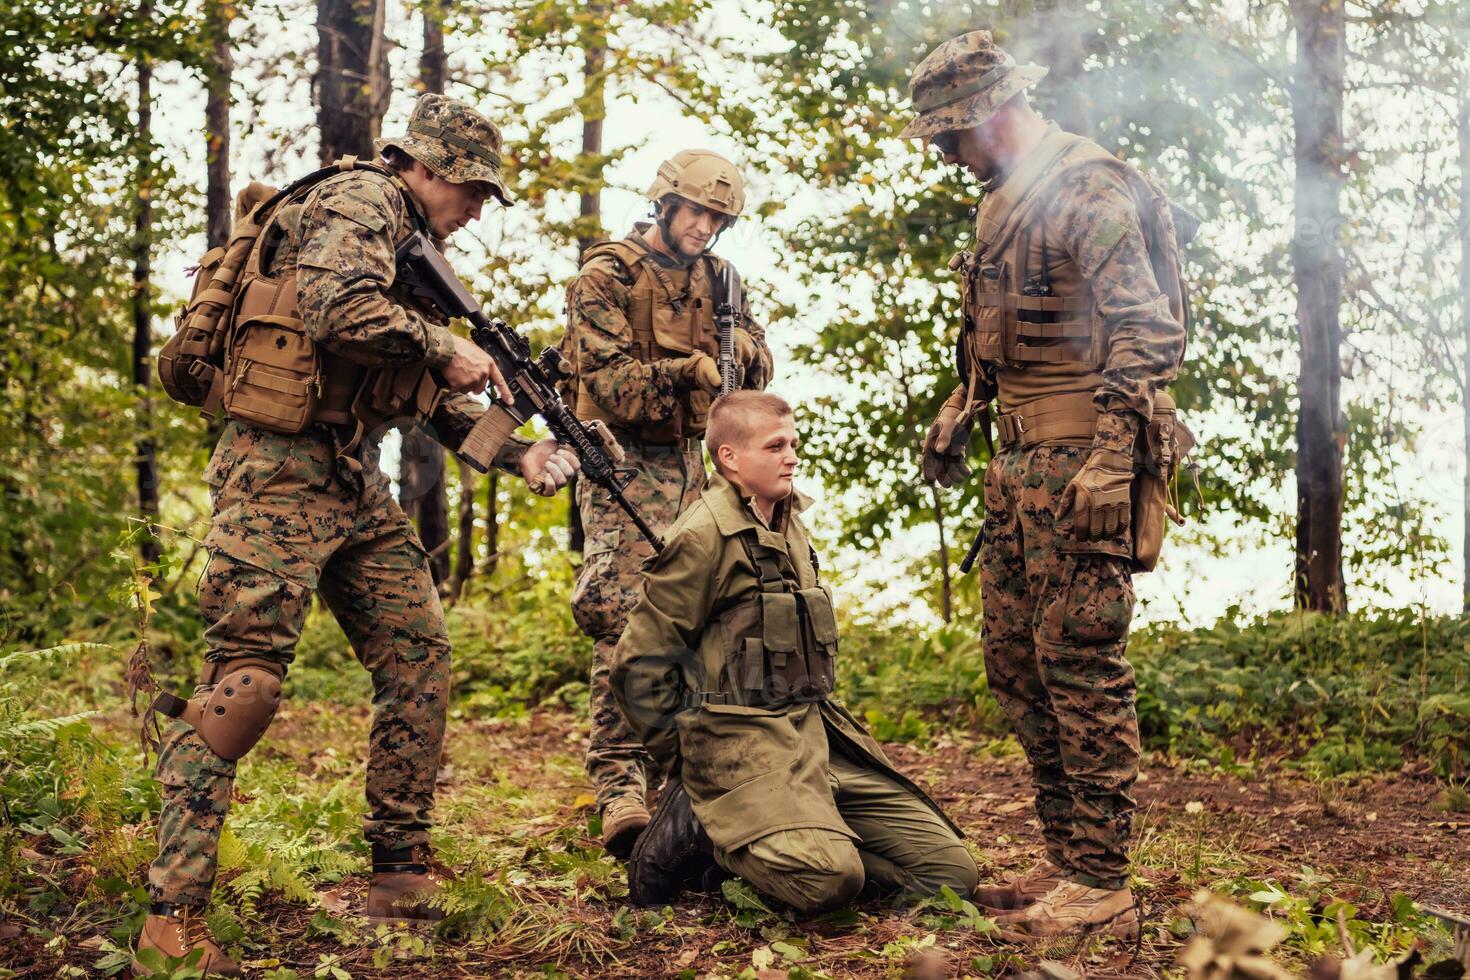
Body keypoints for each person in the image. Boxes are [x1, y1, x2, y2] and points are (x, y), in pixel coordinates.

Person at [136, 94, 580, 976]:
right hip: (274, 473)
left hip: (348, 479)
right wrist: (441, 343)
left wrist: (517, 456)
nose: (480, 208)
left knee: (418, 653)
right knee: (243, 689)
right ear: (428, 167)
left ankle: (398, 870)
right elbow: (338, 311)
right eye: (475, 188)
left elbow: (416, 391)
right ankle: (171, 916)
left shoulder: (408, 243)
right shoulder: (359, 202)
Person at [904, 30, 1192, 940]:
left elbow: (1148, 330)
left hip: (1079, 463)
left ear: (993, 114)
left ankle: (1104, 875)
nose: (946, 154)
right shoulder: (1003, 203)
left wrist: (1114, 455)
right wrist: (962, 405)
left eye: (951, 135)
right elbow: (1000, 331)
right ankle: (1070, 860)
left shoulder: (1085, 184)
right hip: (1018, 464)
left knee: (1080, 661)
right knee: (1018, 666)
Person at [611, 392, 979, 914]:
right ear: (729, 458)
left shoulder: (788, 521)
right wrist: (689, 763)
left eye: (794, 444)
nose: (792, 456)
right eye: (776, 445)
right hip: (740, 750)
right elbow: (639, 667)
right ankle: (706, 830)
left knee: (950, 873)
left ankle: (803, 838)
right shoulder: (701, 538)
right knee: (828, 882)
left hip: (815, 736)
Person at [560, 150, 773, 855]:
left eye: (719, 216)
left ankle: (683, 779)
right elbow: (613, 385)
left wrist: (741, 347)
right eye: (697, 211)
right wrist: (692, 371)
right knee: (623, 617)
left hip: (696, 462)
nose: (706, 226)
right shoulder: (606, 276)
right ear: (665, 204)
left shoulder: (724, 282)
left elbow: (756, 372)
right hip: (622, 459)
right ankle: (619, 783)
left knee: (704, 612)